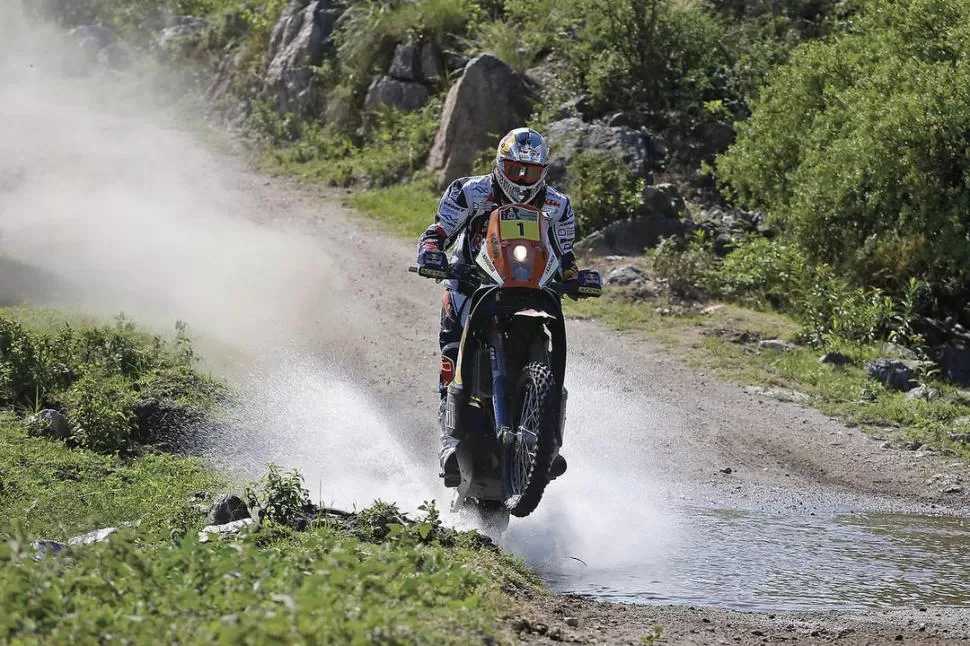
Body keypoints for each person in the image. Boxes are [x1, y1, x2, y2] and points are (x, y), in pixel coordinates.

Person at [416, 127, 578, 485]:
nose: (522, 179)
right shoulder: (468, 191)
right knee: (451, 352)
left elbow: (567, 256)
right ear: (499, 164)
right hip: (471, 283)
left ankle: (547, 442)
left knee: (551, 353)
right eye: (515, 169)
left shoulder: (557, 205)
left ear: (544, 172)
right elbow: (438, 232)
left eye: (530, 172)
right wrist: (431, 252)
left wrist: (577, 276)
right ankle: (448, 442)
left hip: (530, 288)